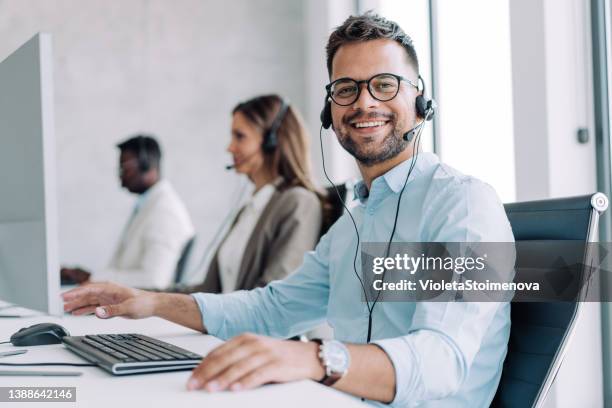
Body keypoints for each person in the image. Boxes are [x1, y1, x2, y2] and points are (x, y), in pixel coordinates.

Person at [62, 13, 514, 407]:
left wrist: (315, 358)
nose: (364, 102)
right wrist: (152, 303)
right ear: (328, 111)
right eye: (346, 89)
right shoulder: (355, 221)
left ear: (420, 102)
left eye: (384, 85)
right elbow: (270, 309)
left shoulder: (464, 205)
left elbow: (441, 360)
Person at [168, 94, 324, 294]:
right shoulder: (250, 209)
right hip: (227, 323)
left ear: (271, 141)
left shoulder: (299, 202)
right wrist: (145, 296)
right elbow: (209, 291)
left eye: (239, 136)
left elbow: (276, 297)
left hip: (249, 326)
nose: (230, 147)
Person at [61, 135, 195, 289]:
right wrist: (90, 278)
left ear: (147, 166)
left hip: (142, 308)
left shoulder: (165, 212)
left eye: (124, 168)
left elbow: (155, 280)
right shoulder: (148, 205)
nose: (120, 176)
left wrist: (93, 278)